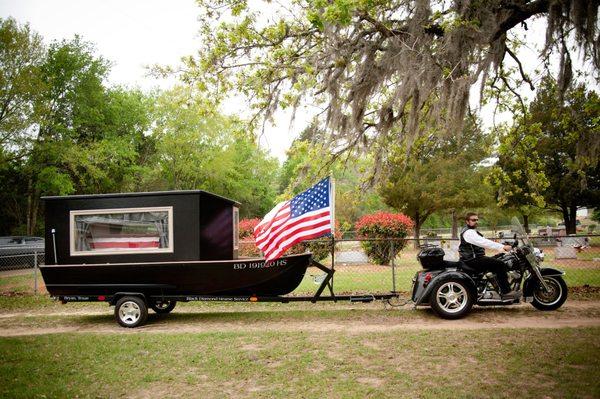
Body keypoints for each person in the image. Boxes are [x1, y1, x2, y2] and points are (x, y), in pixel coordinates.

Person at [459, 212, 519, 300]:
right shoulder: (468, 232)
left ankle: (496, 287)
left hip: (474, 258)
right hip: (473, 259)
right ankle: (506, 292)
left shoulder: (471, 231)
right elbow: (483, 242)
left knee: (499, 258)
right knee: (500, 264)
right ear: (467, 221)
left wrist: (502, 247)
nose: (476, 222)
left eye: (477, 220)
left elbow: (483, 240)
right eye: (473, 220)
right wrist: (502, 247)